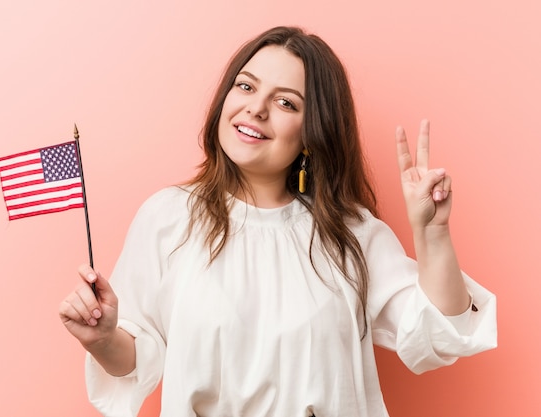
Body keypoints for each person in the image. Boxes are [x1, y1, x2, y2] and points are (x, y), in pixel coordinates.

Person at [59, 26, 497, 417]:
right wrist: (102, 338)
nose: (256, 109)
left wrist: (432, 231)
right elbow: (139, 361)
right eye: (245, 87)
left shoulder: (350, 234)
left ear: (313, 130)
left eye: (285, 102)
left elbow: (441, 332)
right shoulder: (168, 216)